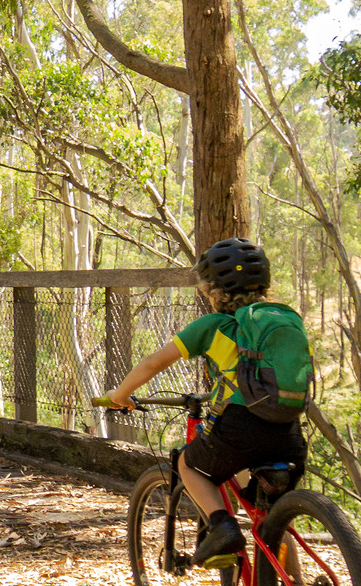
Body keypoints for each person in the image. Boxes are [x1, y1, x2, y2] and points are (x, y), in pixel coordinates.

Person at [103, 237, 315, 568]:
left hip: (239, 432)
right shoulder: (283, 320)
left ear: (214, 289)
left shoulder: (214, 326)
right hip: (289, 435)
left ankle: (222, 528)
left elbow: (153, 364)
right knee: (269, 514)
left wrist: (120, 395)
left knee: (188, 465)